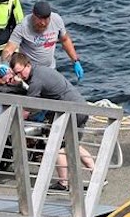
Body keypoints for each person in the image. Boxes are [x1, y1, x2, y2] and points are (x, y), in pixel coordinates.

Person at [8, 52, 94, 190]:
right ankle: (97, 176)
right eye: (16, 74)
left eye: (20, 72)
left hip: (71, 112)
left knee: (57, 146)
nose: (20, 76)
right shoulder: (40, 71)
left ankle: (63, 183)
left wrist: (12, 122)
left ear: (28, 65)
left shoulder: (36, 80)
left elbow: (29, 107)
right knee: (73, 146)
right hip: (80, 107)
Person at [0, 0, 83, 80]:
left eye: (46, 19)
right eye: (39, 19)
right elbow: (9, 49)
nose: (43, 23)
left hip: (50, 69)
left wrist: (75, 61)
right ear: (33, 15)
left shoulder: (57, 20)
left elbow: (65, 40)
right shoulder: (22, 27)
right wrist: (4, 63)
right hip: (29, 72)